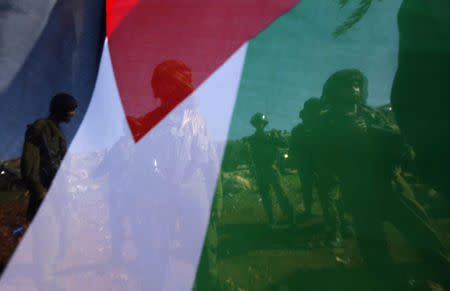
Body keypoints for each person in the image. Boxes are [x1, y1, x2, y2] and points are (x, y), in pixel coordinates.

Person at [319, 69, 450, 287]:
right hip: (359, 191)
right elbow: (322, 158)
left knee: (423, 233)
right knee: (374, 248)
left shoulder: (373, 114)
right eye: (348, 84)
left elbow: (398, 140)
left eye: (357, 84)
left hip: (391, 184)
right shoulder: (327, 122)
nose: (355, 88)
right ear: (335, 90)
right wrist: (345, 136)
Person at [290, 97, 351, 247]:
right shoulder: (304, 129)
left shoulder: (327, 124)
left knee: (332, 199)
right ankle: (340, 227)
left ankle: (338, 229)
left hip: (330, 167)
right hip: (314, 167)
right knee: (330, 198)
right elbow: (298, 149)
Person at [21, 92, 77, 222]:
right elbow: (29, 160)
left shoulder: (57, 131)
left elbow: (60, 160)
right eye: (71, 109)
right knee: (47, 235)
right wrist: (39, 190)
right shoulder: (41, 127)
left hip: (56, 191)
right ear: (61, 109)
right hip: (44, 193)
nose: (73, 113)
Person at [245, 113, 295, 227]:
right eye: (257, 123)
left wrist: (277, 134)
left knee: (281, 193)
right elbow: (248, 155)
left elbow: (284, 144)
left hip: (271, 167)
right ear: (254, 124)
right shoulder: (251, 139)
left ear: (264, 124)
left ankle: (290, 217)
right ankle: (272, 219)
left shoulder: (270, 136)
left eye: (261, 123)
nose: (259, 125)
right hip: (259, 169)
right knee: (265, 195)